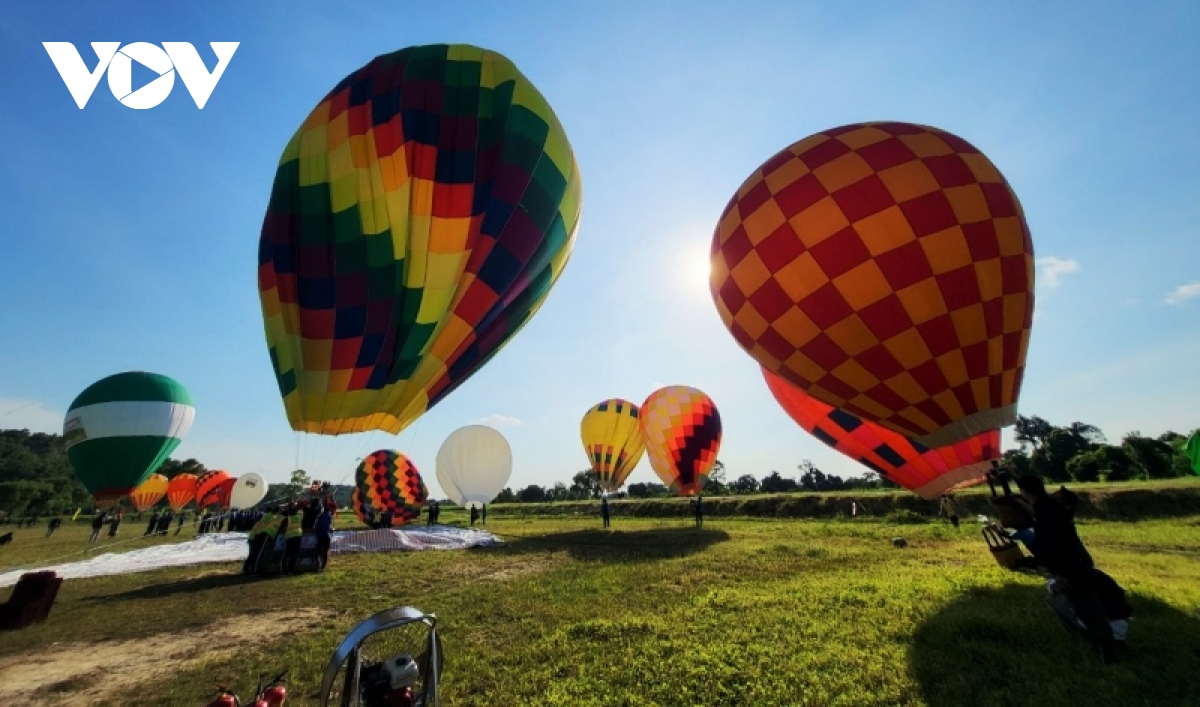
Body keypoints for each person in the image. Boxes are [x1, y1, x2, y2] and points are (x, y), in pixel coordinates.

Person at [1015, 474, 1131, 663]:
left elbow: (1054, 548)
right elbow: (1037, 509)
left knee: (1089, 610)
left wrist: (1060, 573)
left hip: (1070, 568)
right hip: (1078, 564)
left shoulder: (1047, 511)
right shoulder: (1051, 507)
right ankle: (1104, 646)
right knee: (1087, 609)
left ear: (1025, 492)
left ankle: (1109, 653)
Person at [314, 505, 334, 570]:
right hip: (326, 536)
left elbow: (316, 526)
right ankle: (323, 567)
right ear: (328, 511)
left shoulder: (319, 517)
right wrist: (332, 530)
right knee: (325, 552)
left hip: (319, 536)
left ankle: (317, 564)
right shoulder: (329, 517)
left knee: (317, 552)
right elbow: (328, 527)